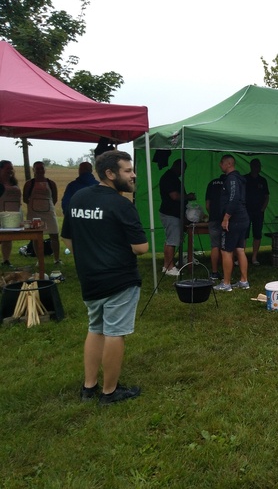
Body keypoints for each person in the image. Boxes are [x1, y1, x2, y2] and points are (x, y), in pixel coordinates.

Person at [61, 150, 148, 405]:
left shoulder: (78, 197)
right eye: (127, 170)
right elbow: (140, 248)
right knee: (114, 333)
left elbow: (67, 237)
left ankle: (89, 387)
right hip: (119, 279)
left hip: (89, 278)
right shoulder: (122, 205)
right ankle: (110, 392)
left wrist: (89, 255)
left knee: (95, 328)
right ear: (110, 174)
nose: (133, 175)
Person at [214, 155, 250, 292]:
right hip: (243, 218)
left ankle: (226, 283)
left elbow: (234, 198)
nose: (220, 165)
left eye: (222, 163)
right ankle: (244, 281)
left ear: (229, 164)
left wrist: (226, 218)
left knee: (226, 251)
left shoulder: (232, 179)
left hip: (234, 220)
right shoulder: (239, 178)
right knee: (240, 249)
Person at [159, 159, 195, 276]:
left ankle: (166, 266)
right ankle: (170, 268)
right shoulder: (169, 177)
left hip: (172, 213)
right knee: (172, 241)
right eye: (183, 170)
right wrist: (188, 196)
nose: (183, 172)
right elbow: (174, 196)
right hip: (170, 213)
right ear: (177, 167)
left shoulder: (171, 177)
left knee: (170, 240)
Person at [22, 161, 61, 265]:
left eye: (41, 168)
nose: (40, 170)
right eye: (37, 168)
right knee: (36, 237)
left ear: (45, 169)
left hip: (49, 213)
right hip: (34, 214)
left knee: (54, 235)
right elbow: (25, 198)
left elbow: (55, 198)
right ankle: (39, 260)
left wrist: (46, 206)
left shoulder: (51, 183)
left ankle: (57, 259)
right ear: (33, 170)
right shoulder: (29, 183)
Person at [244, 158, 270, 266]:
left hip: (258, 212)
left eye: (258, 166)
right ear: (251, 166)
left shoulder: (262, 180)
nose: (257, 168)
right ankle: (242, 256)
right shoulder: (245, 179)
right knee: (243, 234)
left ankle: (254, 257)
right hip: (246, 211)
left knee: (257, 234)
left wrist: (263, 209)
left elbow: (267, 196)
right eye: (255, 165)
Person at [0, 160, 22, 267]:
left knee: (8, 239)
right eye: (7, 168)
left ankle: (6, 260)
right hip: (1, 214)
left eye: (11, 168)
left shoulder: (14, 183)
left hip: (13, 216)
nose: (10, 170)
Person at [205, 172, 226, 280]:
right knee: (226, 246)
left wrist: (211, 214)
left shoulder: (211, 183)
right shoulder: (229, 183)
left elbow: (207, 205)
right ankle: (226, 272)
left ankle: (214, 272)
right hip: (226, 218)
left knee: (215, 246)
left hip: (213, 218)